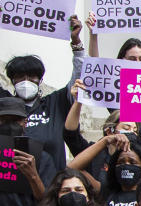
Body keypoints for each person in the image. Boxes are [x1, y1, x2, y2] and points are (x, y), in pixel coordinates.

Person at [1, 18, 85, 170]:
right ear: (12, 80)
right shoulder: (5, 105)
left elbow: (79, 79)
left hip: (51, 185)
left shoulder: (55, 103)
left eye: (31, 76)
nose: (26, 81)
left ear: (40, 80)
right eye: (20, 77)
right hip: (12, 188)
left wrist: (76, 43)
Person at [0, 97, 57, 206]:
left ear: (25, 123)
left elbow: (48, 202)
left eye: (16, 120)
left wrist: (33, 175)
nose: (10, 125)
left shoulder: (42, 158)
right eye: (4, 120)